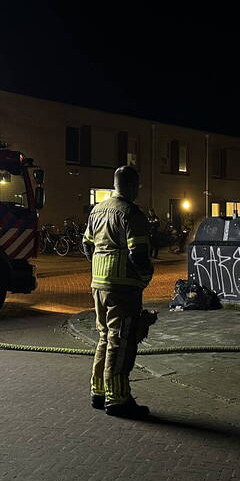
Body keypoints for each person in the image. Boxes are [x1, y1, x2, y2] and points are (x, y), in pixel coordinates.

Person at [82, 166, 154, 418]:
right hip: (122, 287)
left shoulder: (97, 209)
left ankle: (99, 391)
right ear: (134, 186)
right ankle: (118, 398)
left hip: (98, 284)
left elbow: (86, 245)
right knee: (121, 342)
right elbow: (139, 254)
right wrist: (145, 278)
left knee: (104, 337)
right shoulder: (131, 214)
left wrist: (99, 270)